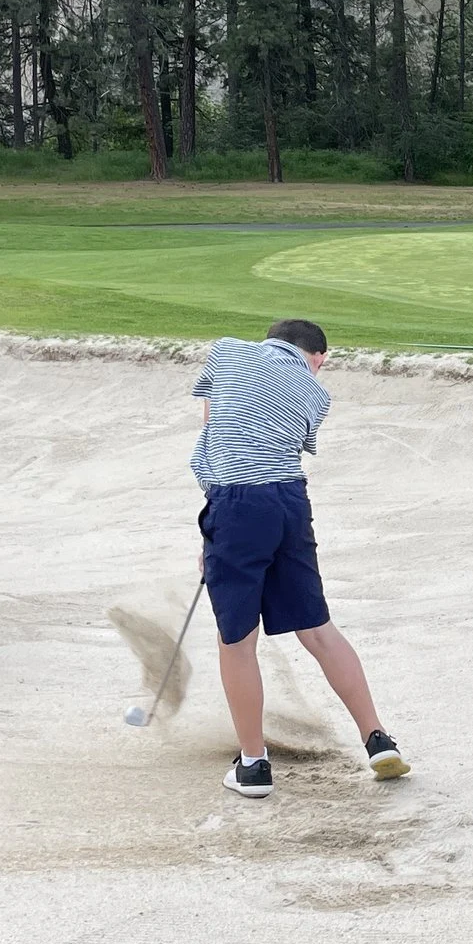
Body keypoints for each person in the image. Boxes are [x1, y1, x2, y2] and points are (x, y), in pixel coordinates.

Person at [189, 318, 410, 798]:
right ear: (319, 358)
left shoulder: (227, 350)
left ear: (271, 340)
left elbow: (212, 424)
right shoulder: (317, 394)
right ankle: (378, 740)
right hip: (290, 501)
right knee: (317, 629)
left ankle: (253, 765)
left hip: (236, 503)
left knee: (237, 641)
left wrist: (213, 533)